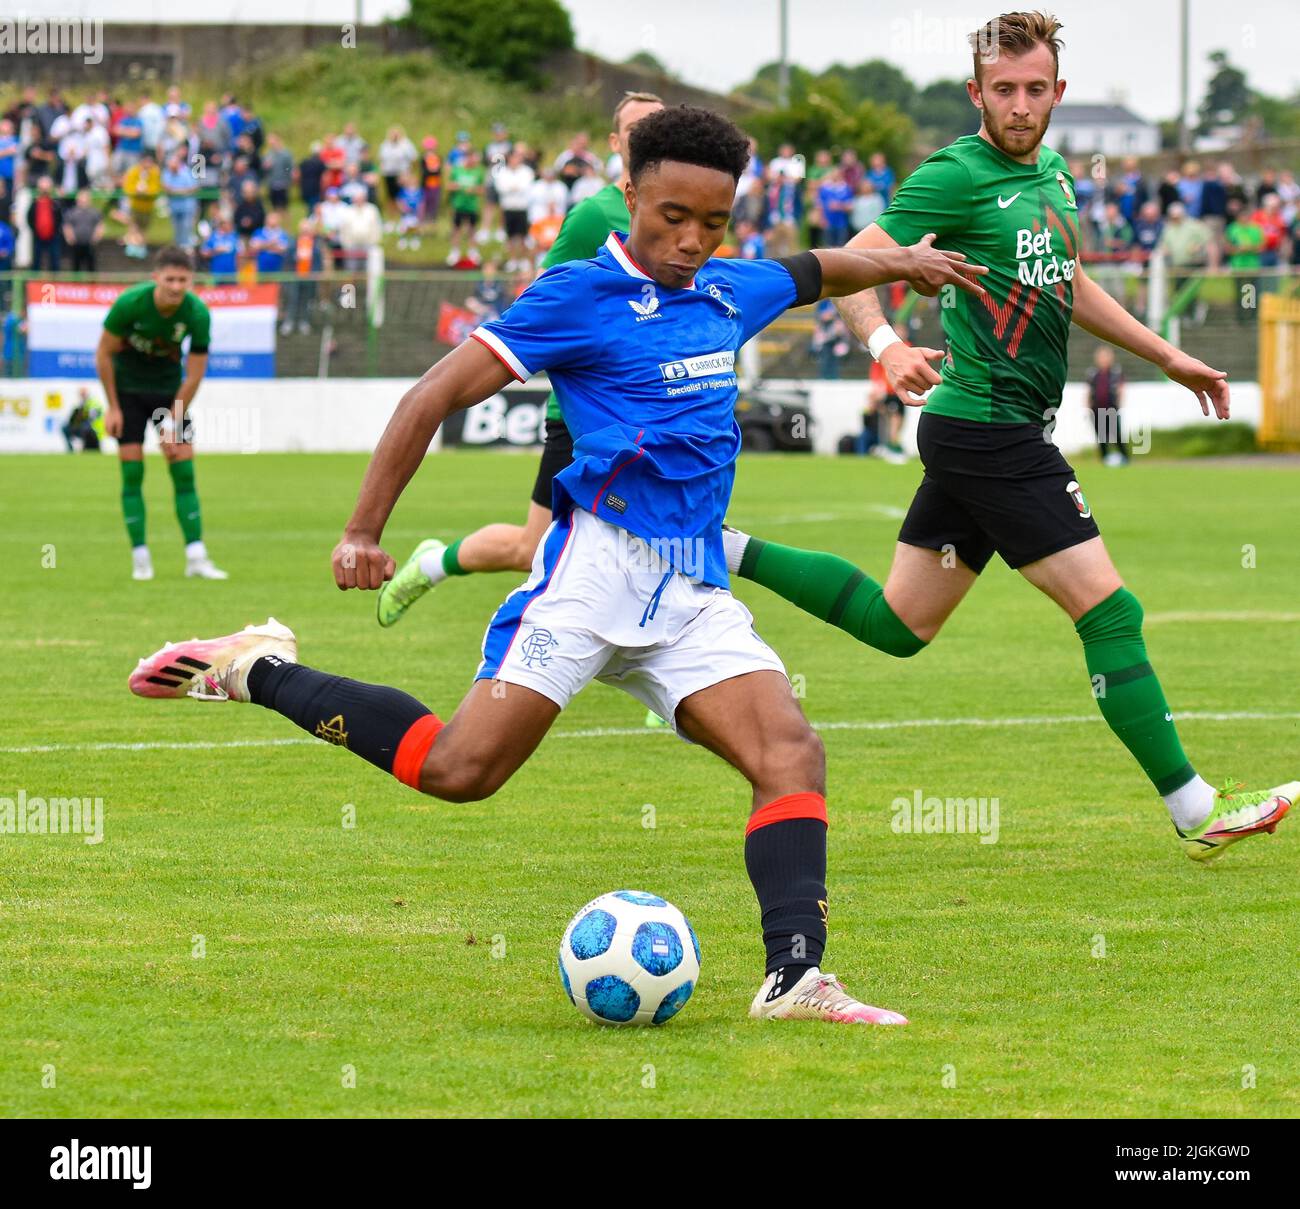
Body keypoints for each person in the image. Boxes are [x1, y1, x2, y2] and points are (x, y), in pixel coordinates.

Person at [128, 104, 986, 1025]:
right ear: (631, 195)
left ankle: (796, 976)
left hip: (690, 588)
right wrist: (362, 529)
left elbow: (820, 270)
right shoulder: (578, 295)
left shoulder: (735, 288)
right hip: (591, 575)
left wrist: (904, 262)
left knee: (791, 753)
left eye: (713, 222)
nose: (692, 240)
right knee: (460, 770)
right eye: (672, 218)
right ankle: (256, 664)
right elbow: (434, 394)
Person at [721, 10, 1295, 861]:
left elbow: (1067, 286)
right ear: (976, 94)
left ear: (1059, 91)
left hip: (981, 432)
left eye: (1035, 89)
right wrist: (884, 345)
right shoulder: (955, 176)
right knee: (1111, 609)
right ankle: (1195, 806)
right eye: (1004, 91)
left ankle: (716, 545)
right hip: (990, 432)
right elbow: (851, 262)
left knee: (899, 624)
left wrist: (1169, 354)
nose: (1021, 105)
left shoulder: (1058, 175)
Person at [375, 92, 663, 629]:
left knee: (664, 539)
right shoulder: (593, 216)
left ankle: (680, 682)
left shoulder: (684, 209)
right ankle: (433, 563)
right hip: (584, 415)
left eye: (662, 124)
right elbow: (541, 304)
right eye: (638, 127)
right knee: (533, 547)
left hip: (658, 405)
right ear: (615, 142)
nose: (652, 135)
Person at [95, 245, 226, 581]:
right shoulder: (129, 304)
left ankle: (196, 558)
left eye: (183, 280)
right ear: (156, 278)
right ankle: (140, 558)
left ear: (191, 280)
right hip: (127, 395)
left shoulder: (197, 314)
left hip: (170, 395)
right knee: (132, 475)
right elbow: (104, 355)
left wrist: (173, 417)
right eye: (170, 279)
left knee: (184, 473)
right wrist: (112, 406)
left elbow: (195, 373)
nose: (176, 286)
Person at [1086, 345, 1127, 465]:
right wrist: (1088, 407)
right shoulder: (1093, 374)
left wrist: (1119, 404)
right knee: (1101, 436)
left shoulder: (1116, 373)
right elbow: (1089, 391)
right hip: (1097, 410)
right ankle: (1105, 458)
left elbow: (1120, 389)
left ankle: (1124, 457)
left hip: (1111, 409)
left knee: (1116, 434)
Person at [62, 187, 104, 272]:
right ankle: (75, 284)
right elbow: (67, 225)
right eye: (81, 198)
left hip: (90, 244)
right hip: (76, 244)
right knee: (75, 267)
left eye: (85, 199)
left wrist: (97, 236)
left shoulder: (95, 212)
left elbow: (100, 225)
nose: (83, 201)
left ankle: (92, 284)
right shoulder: (71, 212)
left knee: (91, 267)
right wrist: (69, 237)